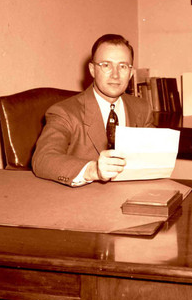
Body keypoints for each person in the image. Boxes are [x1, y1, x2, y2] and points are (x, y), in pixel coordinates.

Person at [32, 34, 154, 186]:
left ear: (130, 73)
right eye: (106, 65)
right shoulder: (64, 112)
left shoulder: (142, 108)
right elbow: (43, 159)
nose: (115, 75)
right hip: (83, 202)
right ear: (92, 70)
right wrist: (93, 170)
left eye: (122, 66)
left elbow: (151, 159)